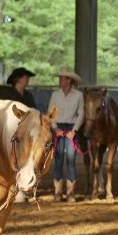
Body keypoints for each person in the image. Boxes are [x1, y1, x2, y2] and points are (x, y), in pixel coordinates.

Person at [48, 68, 84, 203]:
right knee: (58, 159)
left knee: (70, 160)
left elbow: (81, 114)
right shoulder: (55, 95)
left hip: (71, 130)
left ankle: (70, 193)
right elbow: (51, 112)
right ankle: (57, 192)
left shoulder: (78, 95)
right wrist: (55, 128)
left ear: (69, 80)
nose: (60, 80)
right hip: (58, 128)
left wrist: (74, 131)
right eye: (60, 78)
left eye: (63, 78)